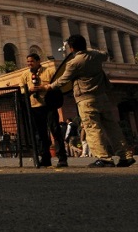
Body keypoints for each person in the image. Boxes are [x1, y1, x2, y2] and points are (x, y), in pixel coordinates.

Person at [38, 34, 135, 168]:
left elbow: (63, 80)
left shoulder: (74, 62)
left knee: (93, 128)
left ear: (71, 48)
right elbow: (105, 54)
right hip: (102, 96)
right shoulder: (96, 56)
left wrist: (48, 86)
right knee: (112, 127)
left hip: (86, 98)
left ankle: (104, 158)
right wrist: (89, 49)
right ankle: (125, 156)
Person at [20, 53, 68, 167]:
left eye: (31, 61)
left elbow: (57, 84)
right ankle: (45, 158)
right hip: (34, 106)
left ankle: (62, 158)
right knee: (40, 134)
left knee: (55, 130)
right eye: (28, 62)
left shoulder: (49, 71)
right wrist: (29, 90)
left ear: (38, 61)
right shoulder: (25, 75)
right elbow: (21, 89)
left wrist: (44, 87)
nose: (29, 64)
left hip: (49, 105)